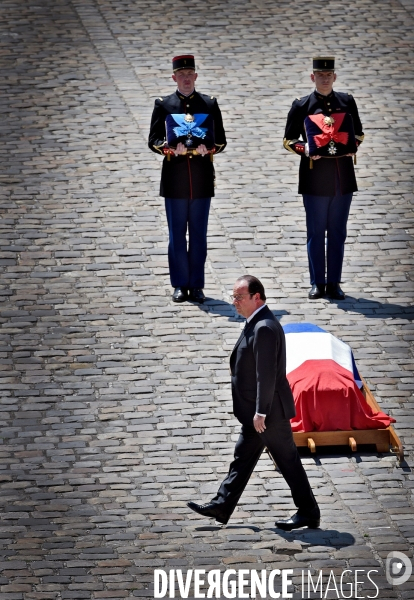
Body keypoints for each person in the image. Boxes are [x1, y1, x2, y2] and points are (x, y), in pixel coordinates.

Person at [187, 275, 320, 531]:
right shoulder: (255, 322)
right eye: (233, 297)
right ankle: (222, 504)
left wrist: (260, 412)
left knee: (287, 461)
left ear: (256, 297)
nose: (234, 302)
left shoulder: (265, 328)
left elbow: (266, 374)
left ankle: (309, 512)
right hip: (257, 414)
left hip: (268, 413)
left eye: (239, 297)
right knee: (243, 458)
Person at [283, 56, 364, 300]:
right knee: (316, 231)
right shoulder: (302, 105)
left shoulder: (346, 101)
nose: (325, 78)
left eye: (329, 75)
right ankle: (318, 281)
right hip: (314, 176)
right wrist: (305, 148)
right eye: (320, 75)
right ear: (313, 77)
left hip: (341, 176)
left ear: (335, 77)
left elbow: (358, 133)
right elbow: (289, 140)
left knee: (338, 231)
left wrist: (352, 146)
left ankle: (334, 282)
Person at [148, 55, 227, 304]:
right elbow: (154, 140)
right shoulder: (164, 105)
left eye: (189, 73)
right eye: (181, 74)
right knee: (176, 235)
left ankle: (197, 285)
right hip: (175, 178)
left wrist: (210, 148)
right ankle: (180, 284)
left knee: (199, 235)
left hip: (201, 178)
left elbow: (221, 140)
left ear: (196, 76)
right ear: (174, 78)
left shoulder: (209, 103)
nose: (185, 78)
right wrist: (169, 149)